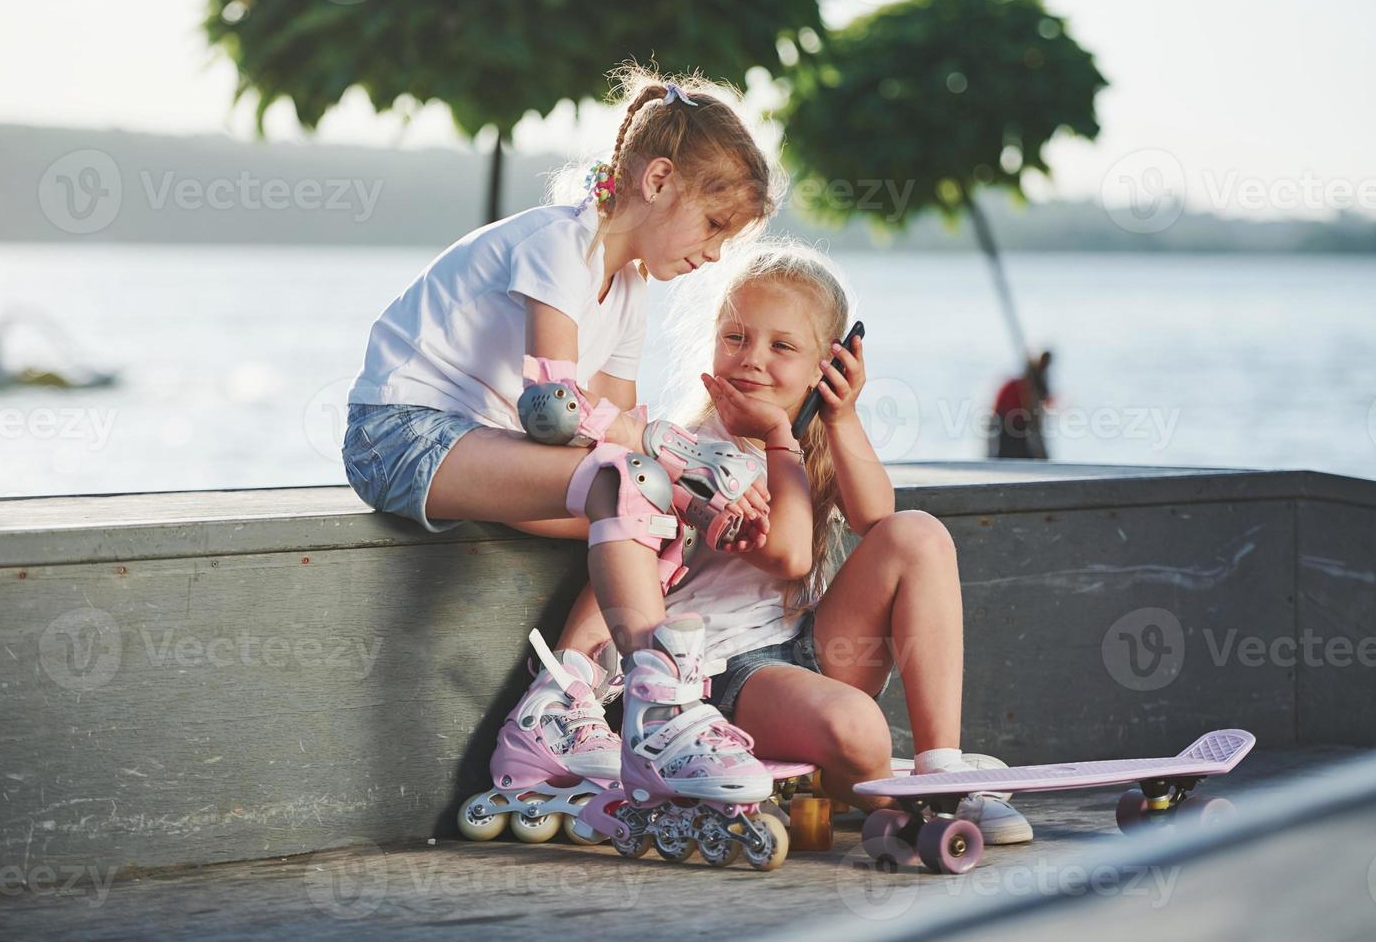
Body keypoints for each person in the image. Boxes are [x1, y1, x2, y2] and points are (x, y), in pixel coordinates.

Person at [343, 66, 787, 848]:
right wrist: (682, 451)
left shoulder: (630, 290)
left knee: (661, 519)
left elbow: (607, 429)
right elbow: (554, 416)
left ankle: (560, 705)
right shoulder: (560, 244)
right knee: (631, 482)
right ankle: (659, 710)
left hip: (482, 449)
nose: (715, 255)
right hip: (404, 434)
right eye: (713, 226)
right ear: (658, 181)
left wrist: (697, 496)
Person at [527, 241, 1032, 847]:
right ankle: (887, 797)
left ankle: (941, 770)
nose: (752, 361)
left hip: (810, 644)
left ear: (829, 363)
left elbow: (877, 517)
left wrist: (841, 418)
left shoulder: (810, 438)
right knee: (862, 728)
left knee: (917, 534)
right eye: (735, 338)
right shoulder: (696, 455)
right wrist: (773, 434)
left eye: (783, 347)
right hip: (726, 677)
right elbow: (788, 553)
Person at [989, 350, 1053, 459]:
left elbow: (1042, 402)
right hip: (1009, 421)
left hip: (1020, 423)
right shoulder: (1020, 386)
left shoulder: (1035, 384)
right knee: (1011, 454)